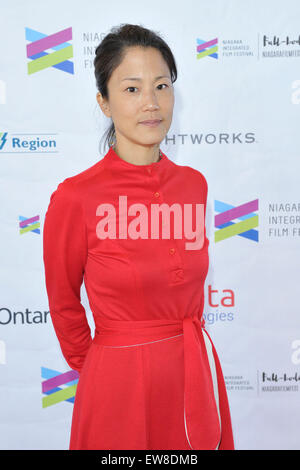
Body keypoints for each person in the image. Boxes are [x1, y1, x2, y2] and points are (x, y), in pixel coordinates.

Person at [43, 23, 234, 450]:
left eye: (161, 86)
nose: (151, 103)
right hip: (118, 386)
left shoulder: (193, 185)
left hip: (192, 375)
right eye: (132, 89)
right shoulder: (76, 197)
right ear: (104, 103)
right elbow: (63, 301)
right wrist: (102, 368)